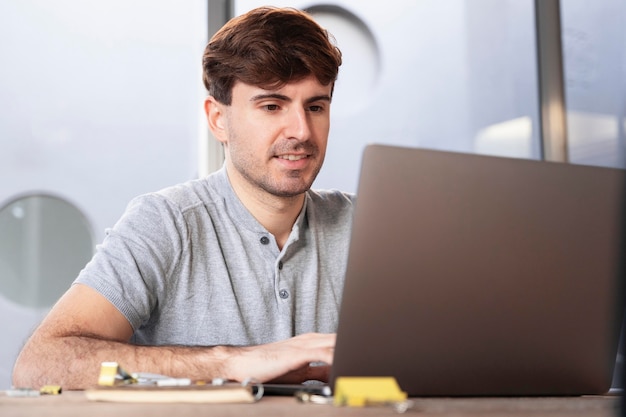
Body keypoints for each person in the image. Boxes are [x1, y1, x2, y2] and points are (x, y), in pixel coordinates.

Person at [12, 6, 354, 390]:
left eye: (315, 107)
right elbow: (41, 363)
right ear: (217, 119)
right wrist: (232, 362)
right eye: (272, 106)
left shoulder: (370, 225)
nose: (302, 130)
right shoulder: (166, 222)